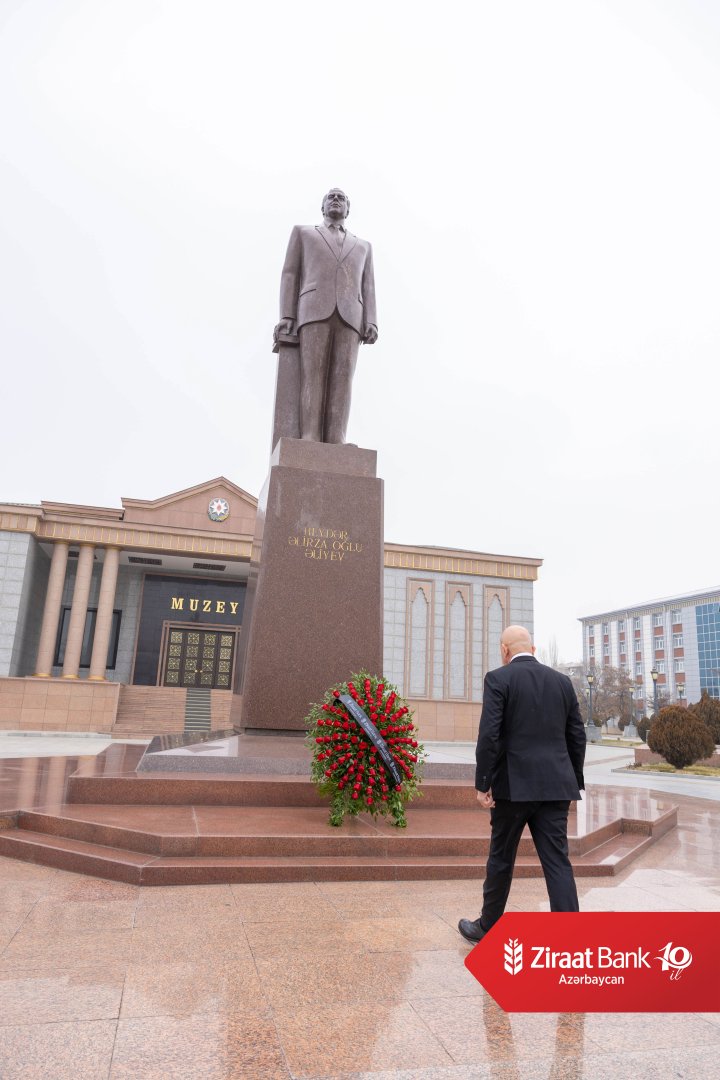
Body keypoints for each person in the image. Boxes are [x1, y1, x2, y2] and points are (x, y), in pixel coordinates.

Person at [458, 625, 586, 944]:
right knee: (557, 860)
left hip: (512, 788)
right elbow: (577, 736)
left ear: (504, 650)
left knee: (501, 857)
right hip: (556, 787)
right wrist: (572, 779)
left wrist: (483, 782)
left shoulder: (499, 679)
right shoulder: (562, 682)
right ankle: (571, 935)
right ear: (534, 648)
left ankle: (488, 926)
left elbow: (489, 735)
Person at [274, 188, 378, 444]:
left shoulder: (363, 246)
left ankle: (336, 438)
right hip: (313, 309)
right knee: (313, 374)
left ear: (348, 209)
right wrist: (287, 314)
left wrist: (371, 320)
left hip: (351, 316)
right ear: (322, 207)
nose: (335, 200)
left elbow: (369, 285)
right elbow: (290, 273)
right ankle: (309, 435)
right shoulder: (304, 233)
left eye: (341, 198)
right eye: (331, 197)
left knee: (343, 379)